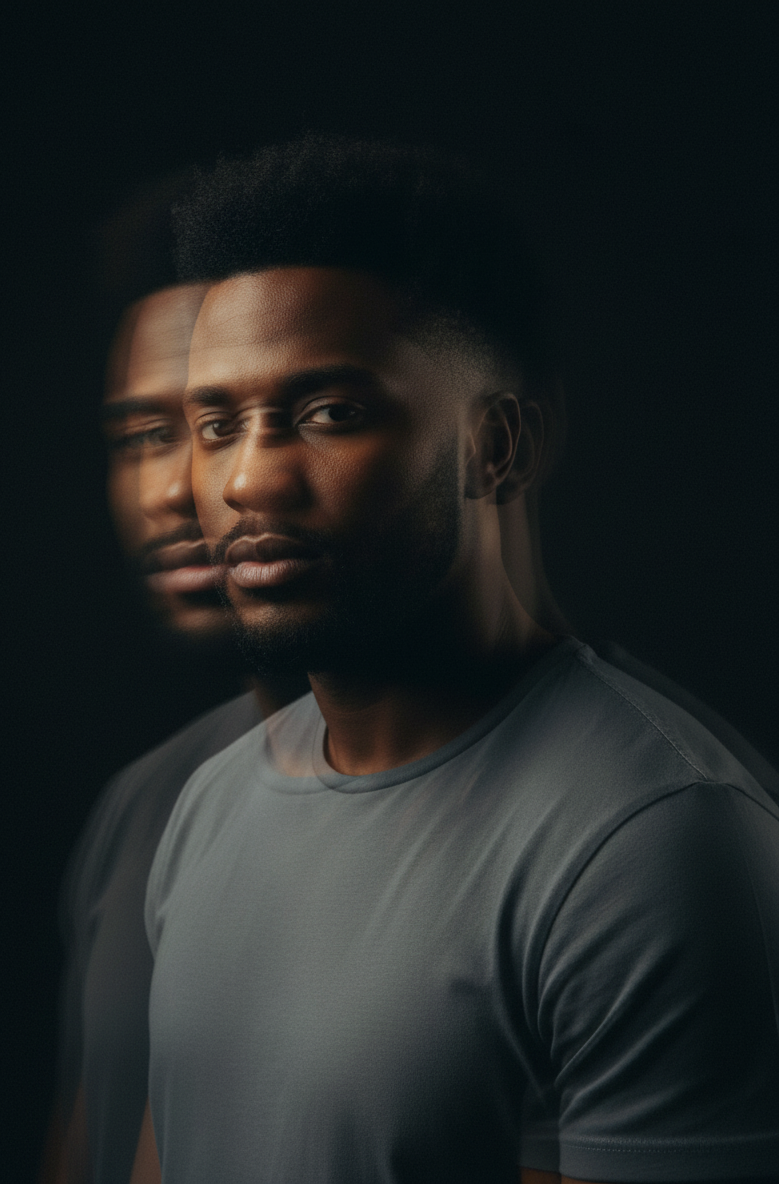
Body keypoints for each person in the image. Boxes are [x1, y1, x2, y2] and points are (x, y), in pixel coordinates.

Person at [135, 137, 779, 1184]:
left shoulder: (653, 848)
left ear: (495, 445)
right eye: (217, 423)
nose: (248, 477)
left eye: (328, 412)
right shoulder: (208, 805)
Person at [39, 185, 306, 1184]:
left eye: (215, 420)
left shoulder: (601, 834)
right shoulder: (144, 804)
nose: (170, 488)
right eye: (141, 435)